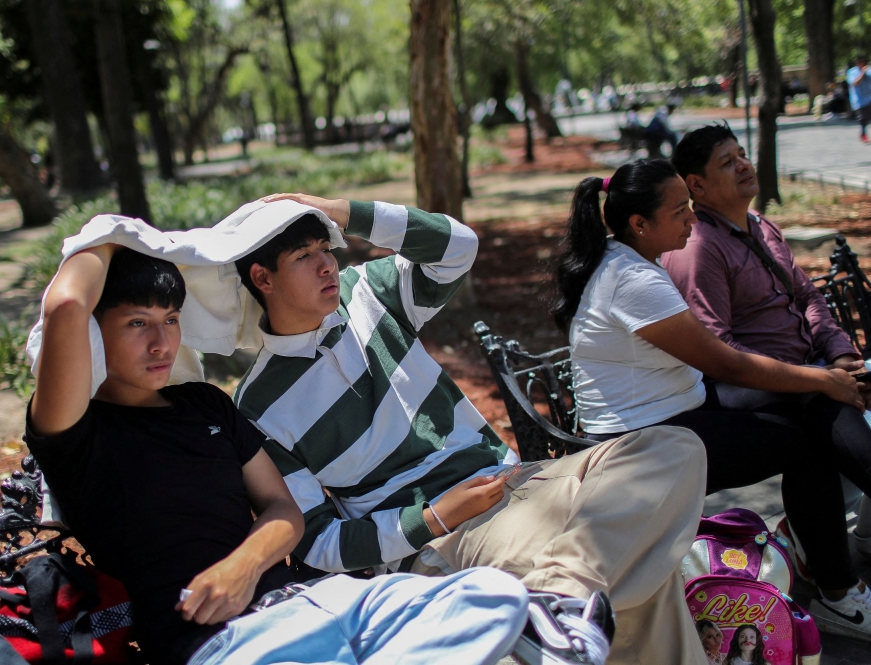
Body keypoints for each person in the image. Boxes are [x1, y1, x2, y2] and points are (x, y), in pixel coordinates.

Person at [232, 192, 711, 665]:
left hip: (518, 484)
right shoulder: (258, 405)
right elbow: (318, 539)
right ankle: (562, 601)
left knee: (675, 447)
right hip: (443, 539)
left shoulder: (367, 292)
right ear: (262, 278)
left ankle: (557, 597)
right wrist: (436, 516)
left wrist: (341, 211)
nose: (326, 266)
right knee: (643, 570)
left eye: (326, 249)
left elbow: (458, 247)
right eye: (303, 256)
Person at [23, 245, 531, 665]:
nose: (161, 343)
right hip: (221, 646)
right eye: (137, 323)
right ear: (95, 333)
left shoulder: (205, 404)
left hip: (311, 603)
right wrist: (111, 239)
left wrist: (243, 566)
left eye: (171, 319)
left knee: (493, 597)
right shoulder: (77, 435)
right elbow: (66, 306)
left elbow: (283, 510)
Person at [553, 158, 871, 644]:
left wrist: (817, 381)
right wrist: (821, 378)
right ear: (640, 223)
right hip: (644, 444)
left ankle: (825, 564)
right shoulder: (633, 280)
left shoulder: (628, 258)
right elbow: (726, 364)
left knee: (812, 400)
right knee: (807, 437)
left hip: (680, 407)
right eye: (681, 210)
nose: (693, 219)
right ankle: (838, 593)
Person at [662, 124, 871, 640]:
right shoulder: (698, 249)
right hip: (765, 397)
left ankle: (839, 571)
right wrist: (815, 381)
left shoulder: (759, 225)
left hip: (812, 380)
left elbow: (809, 299)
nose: (743, 164)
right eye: (726, 162)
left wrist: (841, 354)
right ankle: (837, 590)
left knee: (834, 427)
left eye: (741, 155)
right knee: (828, 433)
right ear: (699, 185)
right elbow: (721, 353)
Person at [846, 55, 871, 144]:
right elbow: (855, 83)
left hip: (869, 97)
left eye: (863, 62)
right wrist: (862, 73)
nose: (861, 64)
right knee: (863, 118)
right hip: (859, 100)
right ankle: (863, 133)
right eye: (859, 62)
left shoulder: (869, 71)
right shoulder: (852, 72)